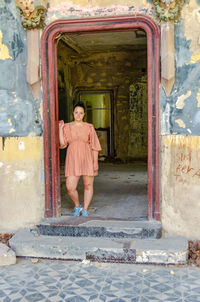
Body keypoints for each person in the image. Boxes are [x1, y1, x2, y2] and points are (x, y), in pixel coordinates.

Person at [59, 102, 102, 217]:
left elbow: (95, 146)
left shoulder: (89, 127)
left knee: (88, 185)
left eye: (81, 113)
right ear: (73, 113)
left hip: (87, 158)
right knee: (70, 187)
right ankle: (77, 206)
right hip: (72, 159)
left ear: (84, 114)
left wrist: (95, 163)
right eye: (76, 112)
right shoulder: (67, 127)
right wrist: (60, 128)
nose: (78, 115)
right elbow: (62, 144)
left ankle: (85, 209)